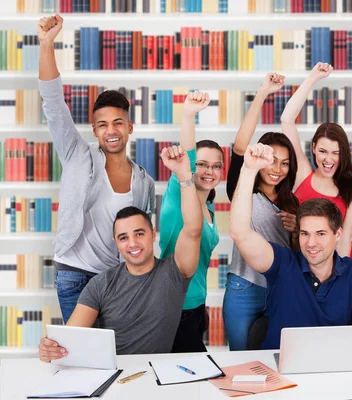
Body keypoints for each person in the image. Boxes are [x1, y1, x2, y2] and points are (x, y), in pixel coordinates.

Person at [37, 14, 155, 323]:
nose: (111, 130)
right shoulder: (77, 154)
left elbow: (141, 237)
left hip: (115, 278)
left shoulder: (143, 181)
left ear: (130, 126)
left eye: (118, 122)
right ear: (94, 130)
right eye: (102, 125)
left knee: (117, 351)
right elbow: (53, 104)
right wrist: (47, 44)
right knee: (80, 353)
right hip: (73, 274)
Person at [38, 145, 204, 359]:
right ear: (116, 243)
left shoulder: (174, 271)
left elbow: (193, 229)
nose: (132, 243)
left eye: (139, 234)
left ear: (153, 234)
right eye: (123, 238)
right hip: (113, 375)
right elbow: (71, 339)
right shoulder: (101, 284)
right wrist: (51, 349)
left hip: (155, 375)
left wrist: (183, 175)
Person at [229, 143, 352, 350]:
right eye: (304, 233)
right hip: (279, 373)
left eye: (321, 234)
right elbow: (239, 233)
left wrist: (338, 347)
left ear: (338, 235)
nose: (311, 243)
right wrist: (248, 169)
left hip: (332, 369)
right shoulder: (282, 263)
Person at [223, 73, 300, 351]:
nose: (277, 169)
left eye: (285, 163)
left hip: (281, 289)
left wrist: (296, 231)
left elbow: (300, 253)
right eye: (272, 160)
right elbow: (240, 147)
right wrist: (263, 92)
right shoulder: (243, 191)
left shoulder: (293, 203)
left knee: (275, 360)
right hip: (244, 289)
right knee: (241, 360)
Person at [158, 91, 223, 353]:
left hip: (196, 305)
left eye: (216, 166)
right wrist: (188, 114)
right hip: (174, 306)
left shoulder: (209, 207)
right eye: (202, 164)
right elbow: (187, 153)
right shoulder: (178, 194)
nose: (209, 171)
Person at [280, 63, 352, 259]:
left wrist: (335, 282)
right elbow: (287, 119)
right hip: (303, 263)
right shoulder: (303, 174)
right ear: (314, 148)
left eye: (336, 153)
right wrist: (312, 78)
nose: (328, 159)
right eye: (323, 151)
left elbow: (343, 242)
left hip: (341, 266)